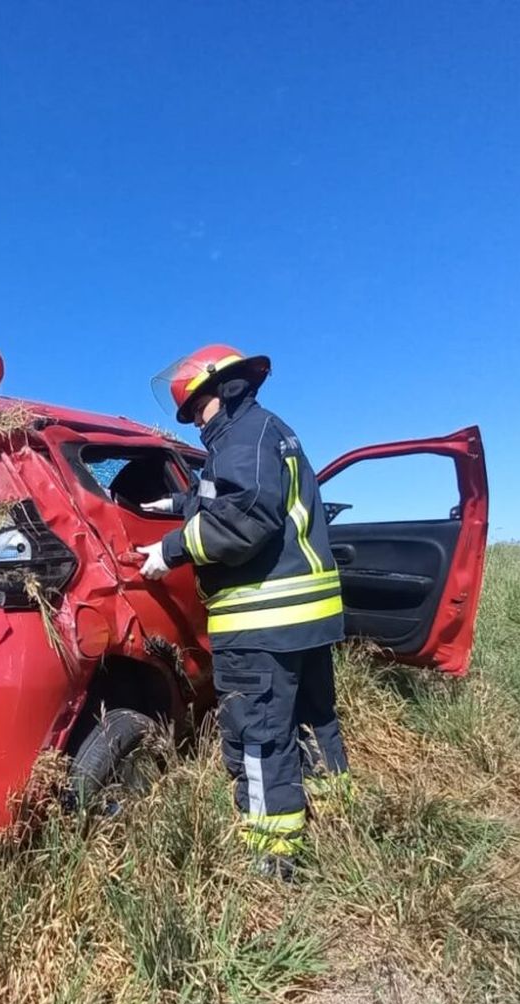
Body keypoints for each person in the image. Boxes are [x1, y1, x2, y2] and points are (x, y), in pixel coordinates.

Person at [138, 344, 349, 877]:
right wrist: (178, 504)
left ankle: (272, 856)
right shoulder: (265, 431)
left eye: (195, 411)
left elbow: (244, 519)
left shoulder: (241, 436)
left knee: (258, 736)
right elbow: (232, 496)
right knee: (311, 718)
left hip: (262, 623)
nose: (194, 423)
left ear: (217, 393)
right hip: (302, 621)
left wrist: (171, 548)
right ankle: (338, 820)